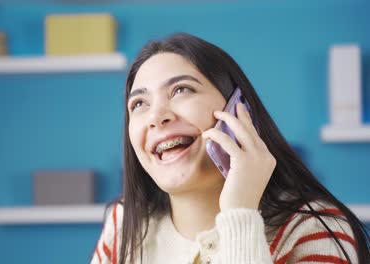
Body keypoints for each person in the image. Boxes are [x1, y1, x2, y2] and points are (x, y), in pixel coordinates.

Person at [91, 33, 369, 264]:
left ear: (238, 110)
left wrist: (240, 215)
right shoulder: (124, 226)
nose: (156, 116)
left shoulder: (315, 229)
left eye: (181, 90)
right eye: (139, 104)